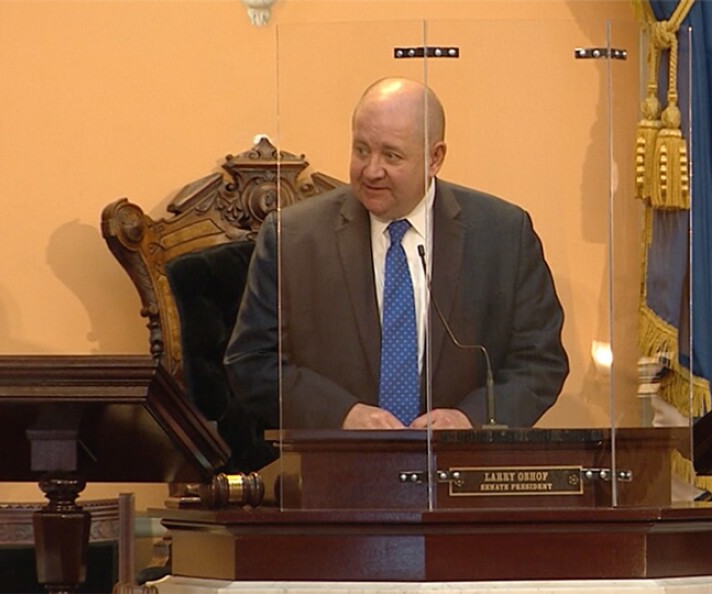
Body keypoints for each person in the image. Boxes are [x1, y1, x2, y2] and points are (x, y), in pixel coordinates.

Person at [224, 77, 568, 431]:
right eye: (361, 150)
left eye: (391, 155)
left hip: (458, 467)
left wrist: (471, 419)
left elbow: (540, 362)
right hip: (336, 466)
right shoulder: (294, 238)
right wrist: (342, 414)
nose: (371, 170)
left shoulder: (502, 234)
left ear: (435, 158)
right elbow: (251, 361)